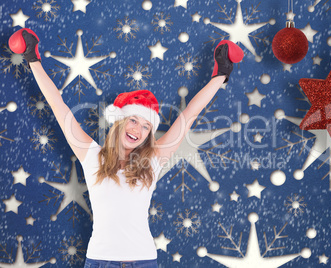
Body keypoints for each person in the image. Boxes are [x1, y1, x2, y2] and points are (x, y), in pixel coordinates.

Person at [10, 28, 243, 268]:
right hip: (100, 261)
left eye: (145, 126)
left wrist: (220, 74)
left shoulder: (153, 160)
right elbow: (58, 107)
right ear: (119, 122)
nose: (138, 130)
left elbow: (189, 115)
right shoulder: (92, 155)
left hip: (143, 261)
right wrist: (32, 59)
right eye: (133, 120)